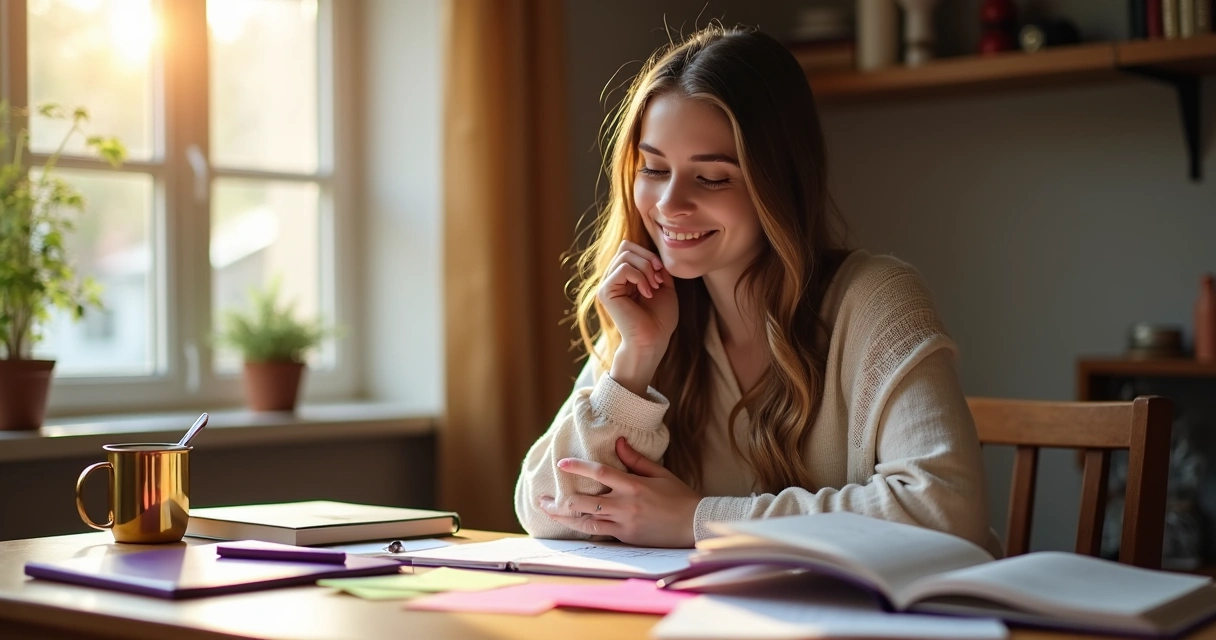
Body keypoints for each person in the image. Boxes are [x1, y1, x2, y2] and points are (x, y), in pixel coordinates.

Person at [514, 24, 1001, 556]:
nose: (669, 204)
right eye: (653, 169)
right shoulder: (649, 311)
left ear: (779, 182)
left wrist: (702, 522)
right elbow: (544, 508)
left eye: (713, 178)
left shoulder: (876, 299)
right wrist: (635, 360)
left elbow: (949, 513)